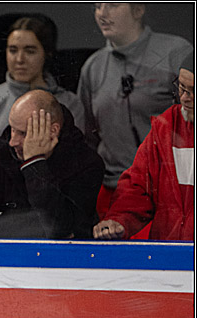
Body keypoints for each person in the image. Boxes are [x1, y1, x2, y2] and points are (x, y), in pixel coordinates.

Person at [78, 3, 194, 211]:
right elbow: (89, 135)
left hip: (169, 191)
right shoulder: (93, 67)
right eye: (97, 6)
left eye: (112, 4)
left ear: (138, 10)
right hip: (113, 190)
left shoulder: (175, 51)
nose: (102, 14)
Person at [0, 90, 105, 239]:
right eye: (12, 129)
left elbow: (61, 229)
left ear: (53, 131)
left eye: (23, 133)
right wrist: (35, 225)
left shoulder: (87, 164)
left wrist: (34, 163)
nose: (12, 141)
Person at [0, 16, 85, 171]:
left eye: (30, 51)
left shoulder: (69, 103)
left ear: (46, 53)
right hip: (1, 192)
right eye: (13, 50)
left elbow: (74, 158)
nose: (20, 59)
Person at [93, 61, 194, 241]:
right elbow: (138, 185)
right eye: (181, 88)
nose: (185, 98)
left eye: (193, 91)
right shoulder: (168, 126)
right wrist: (119, 220)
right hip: (167, 254)